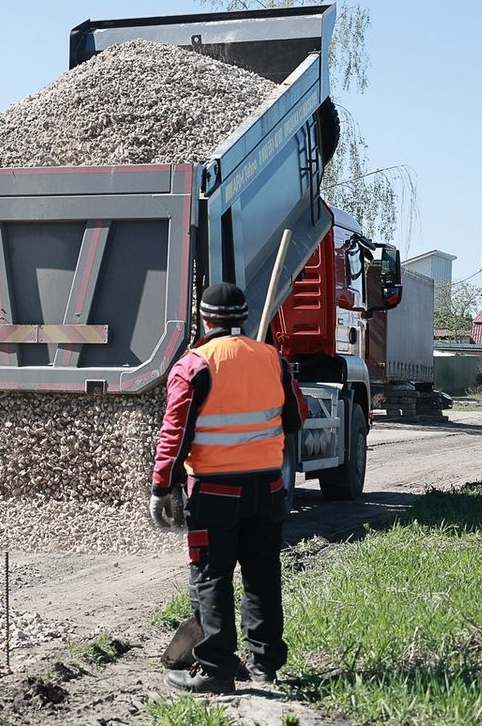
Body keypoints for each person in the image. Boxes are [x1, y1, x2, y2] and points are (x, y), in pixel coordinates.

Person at [149, 282, 304, 693]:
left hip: (215, 493)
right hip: (268, 489)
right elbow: (295, 418)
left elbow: (174, 432)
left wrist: (162, 485)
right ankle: (264, 663)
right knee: (262, 574)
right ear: (244, 318)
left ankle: (216, 668)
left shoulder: (194, 365)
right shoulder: (273, 359)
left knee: (211, 576)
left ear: (204, 319)